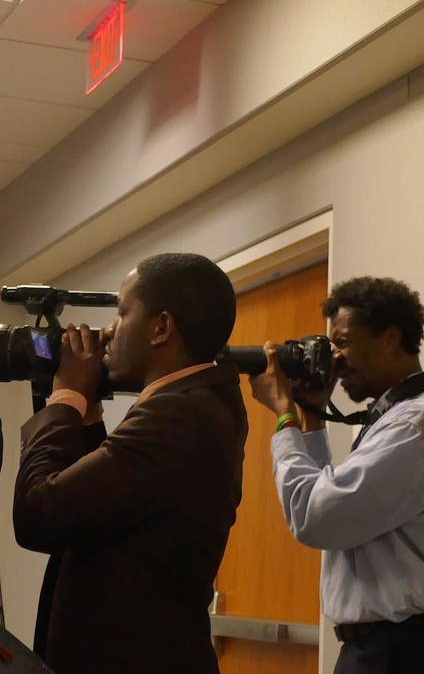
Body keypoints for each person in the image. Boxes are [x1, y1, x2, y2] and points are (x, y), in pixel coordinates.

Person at [13, 253, 247, 674]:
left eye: (121, 314)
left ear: (161, 328)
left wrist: (65, 397)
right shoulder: (199, 405)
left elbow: (39, 514)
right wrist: (87, 414)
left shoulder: (180, 415)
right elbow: (100, 508)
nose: (108, 331)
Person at [249, 276, 424, 674]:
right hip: (379, 648)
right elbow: (335, 501)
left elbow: (316, 517)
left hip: (391, 650)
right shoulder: (394, 418)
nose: (333, 358)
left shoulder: (415, 422)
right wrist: (311, 419)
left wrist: (283, 414)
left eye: (342, 342)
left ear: (390, 339)